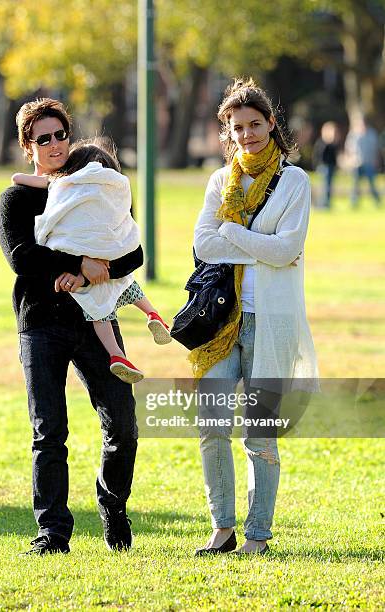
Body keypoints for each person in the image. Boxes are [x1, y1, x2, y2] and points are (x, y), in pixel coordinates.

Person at [0, 98, 144, 555]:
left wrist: (84, 273)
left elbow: (132, 253)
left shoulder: (97, 184)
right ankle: (53, 533)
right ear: (28, 147)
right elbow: (22, 257)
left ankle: (112, 502)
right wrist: (78, 261)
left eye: (62, 134)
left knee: (122, 422)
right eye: (44, 138)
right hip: (40, 322)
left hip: (96, 318)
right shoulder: (17, 197)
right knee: (49, 431)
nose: (57, 144)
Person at [191, 78, 318, 556]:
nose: (247, 134)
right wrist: (254, 245)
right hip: (223, 323)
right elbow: (204, 245)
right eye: (236, 127)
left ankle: (258, 537)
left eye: (255, 124)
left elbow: (289, 247)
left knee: (258, 434)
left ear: (271, 124)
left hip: (272, 322)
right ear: (227, 131)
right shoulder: (219, 182)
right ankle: (222, 529)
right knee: (211, 427)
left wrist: (232, 232)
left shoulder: (294, 182)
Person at [11, 139, 171, 384]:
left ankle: (115, 354)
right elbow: (133, 249)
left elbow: (28, 181)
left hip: (81, 255)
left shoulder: (65, 182)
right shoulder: (115, 187)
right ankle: (152, 313)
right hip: (109, 257)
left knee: (98, 310)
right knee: (127, 283)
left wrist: (18, 177)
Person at [345, 117, 382, 208]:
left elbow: (376, 149)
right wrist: (349, 160)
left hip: (368, 163)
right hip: (357, 164)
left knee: (372, 183)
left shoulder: (371, 134)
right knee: (355, 185)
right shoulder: (353, 134)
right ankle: (354, 202)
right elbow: (348, 148)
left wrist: (376, 161)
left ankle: (377, 201)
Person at [312, 121, 340, 209]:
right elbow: (318, 156)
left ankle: (327, 203)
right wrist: (318, 165)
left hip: (331, 167)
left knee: (329, 186)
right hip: (324, 167)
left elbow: (334, 157)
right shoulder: (322, 143)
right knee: (324, 186)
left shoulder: (333, 144)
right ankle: (322, 203)